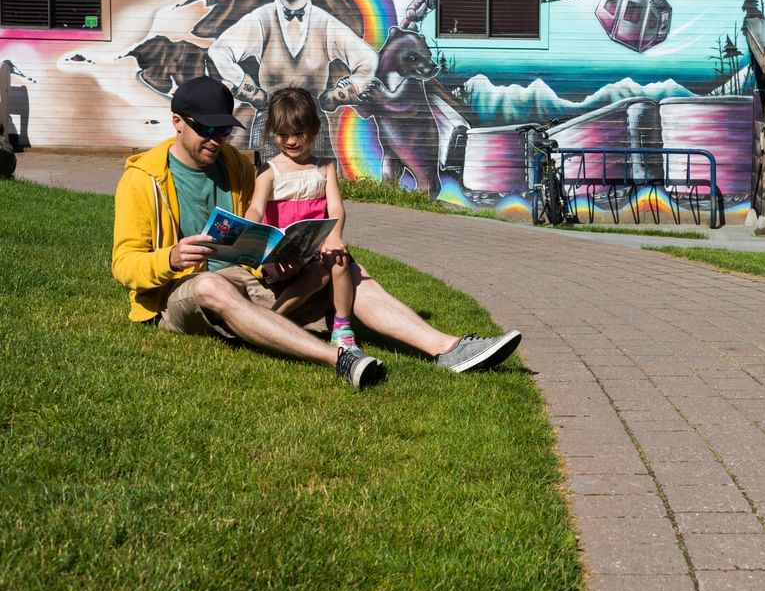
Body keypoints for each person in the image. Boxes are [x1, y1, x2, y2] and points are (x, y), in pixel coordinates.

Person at [111, 75, 521, 390]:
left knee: (343, 262)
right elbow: (124, 265)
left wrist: (278, 259)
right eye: (207, 131)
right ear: (178, 123)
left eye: (224, 131)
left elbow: (254, 229)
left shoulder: (235, 163)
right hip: (183, 291)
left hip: (248, 280)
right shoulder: (143, 179)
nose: (217, 141)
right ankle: (338, 358)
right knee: (209, 288)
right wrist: (170, 257)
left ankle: (447, 347)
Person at [206, 0, 378, 160]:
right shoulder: (261, 20)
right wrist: (250, 90)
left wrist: (340, 94)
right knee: (267, 184)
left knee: (315, 187)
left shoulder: (326, 24)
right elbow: (219, 51)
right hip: (271, 125)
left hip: (313, 126)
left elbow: (368, 59)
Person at [246, 87, 357, 351]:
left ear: (314, 129)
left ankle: (342, 328)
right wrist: (255, 237)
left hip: (316, 249)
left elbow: (337, 208)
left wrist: (334, 236)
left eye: (299, 133)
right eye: (283, 134)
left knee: (337, 262)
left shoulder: (325, 166)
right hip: (282, 254)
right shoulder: (269, 170)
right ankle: (271, 319)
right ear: (274, 132)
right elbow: (255, 209)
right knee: (318, 272)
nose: (291, 141)